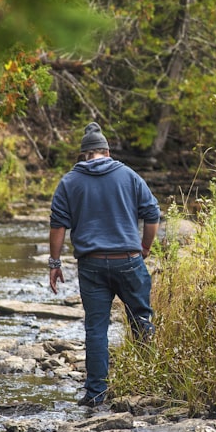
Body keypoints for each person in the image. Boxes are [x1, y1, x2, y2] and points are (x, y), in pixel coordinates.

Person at [47, 122, 161, 406]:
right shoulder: (129, 175)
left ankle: (96, 393)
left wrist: (54, 263)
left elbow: (58, 225)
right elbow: (152, 215)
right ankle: (148, 384)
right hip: (129, 261)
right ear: (107, 152)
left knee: (96, 328)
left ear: (84, 155)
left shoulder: (69, 182)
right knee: (141, 319)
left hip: (92, 264)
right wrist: (145, 247)